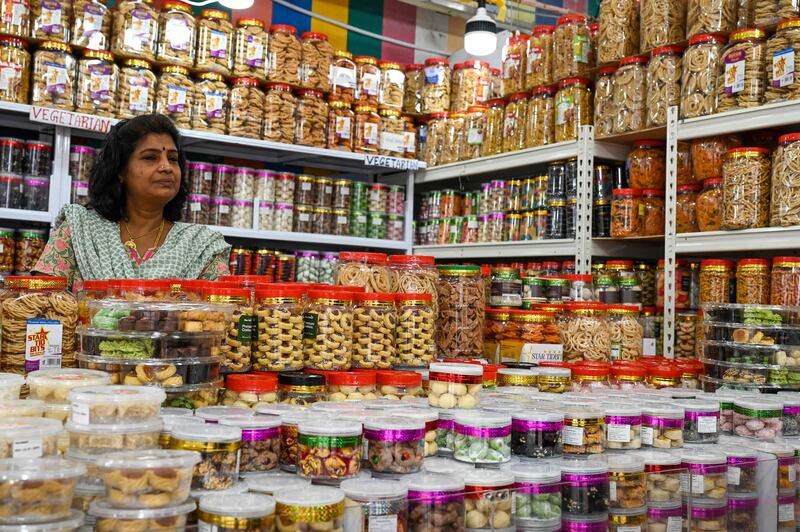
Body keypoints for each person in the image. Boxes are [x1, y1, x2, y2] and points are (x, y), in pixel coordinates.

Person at [34, 114, 231, 289]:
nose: (166, 167)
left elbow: (219, 317)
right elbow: (39, 305)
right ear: (120, 171)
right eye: (150, 157)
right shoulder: (79, 231)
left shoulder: (200, 246)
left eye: (173, 159)